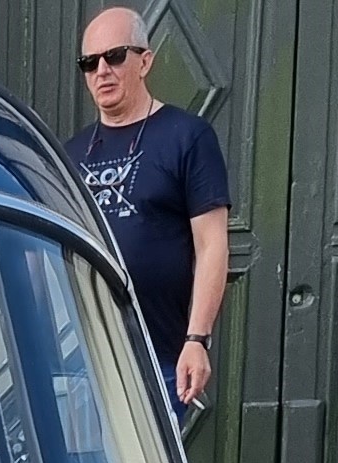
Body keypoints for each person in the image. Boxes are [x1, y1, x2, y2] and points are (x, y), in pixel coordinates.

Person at [65, 9, 230, 419]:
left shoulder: (187, 137)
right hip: (81, 359)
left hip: (159, 360)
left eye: (115, 56)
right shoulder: (70, 154)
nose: (102, 71)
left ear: (145, 61)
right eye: (89, 63)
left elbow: (212, 244)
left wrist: (197, 339)